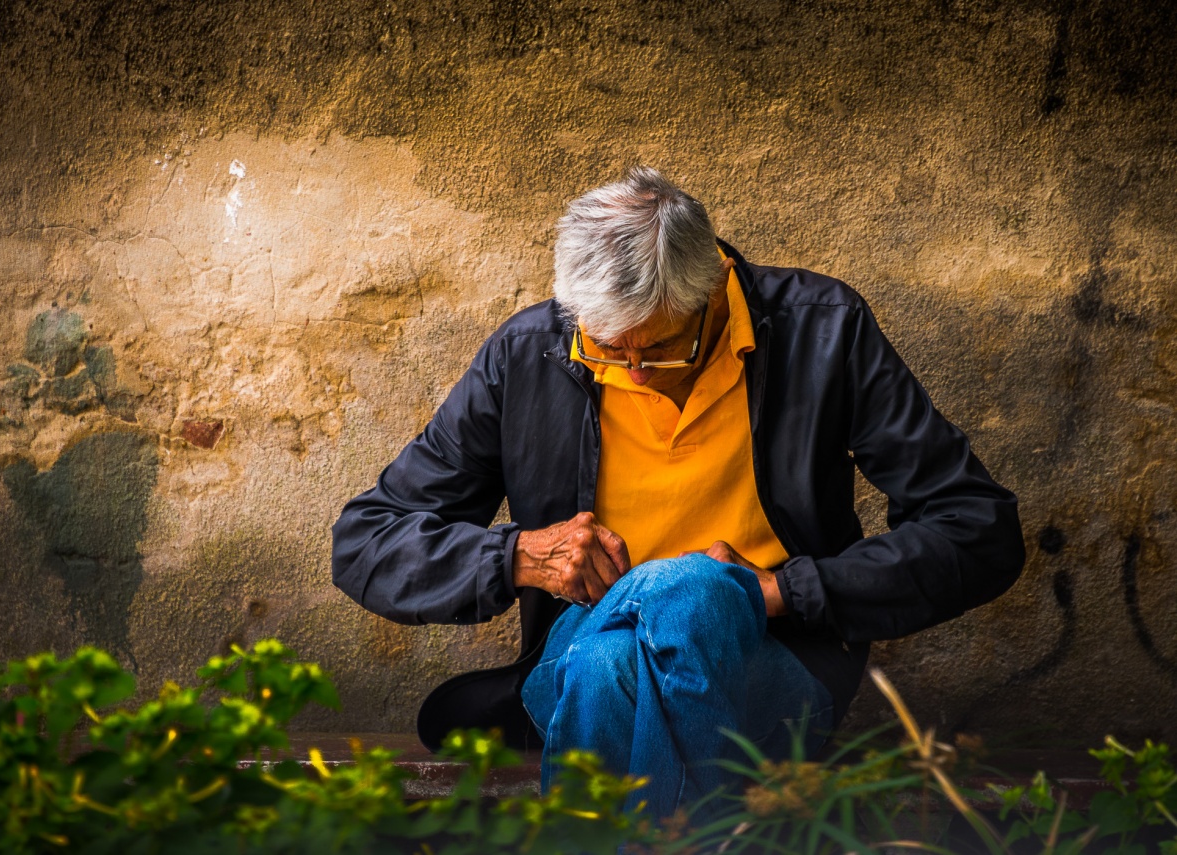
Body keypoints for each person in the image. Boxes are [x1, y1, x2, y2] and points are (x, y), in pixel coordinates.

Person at [331, 167, 1024, 818]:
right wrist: (519, 557)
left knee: (669, 615)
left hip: (775, 657)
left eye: (661, 348)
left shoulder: (823, 329)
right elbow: (366, 539)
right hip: (583, 639)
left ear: (716, 285)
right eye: (607, 348)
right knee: (629, 633)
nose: (632, 374)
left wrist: (776, 593)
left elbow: (977, 528)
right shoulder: (530, 354)